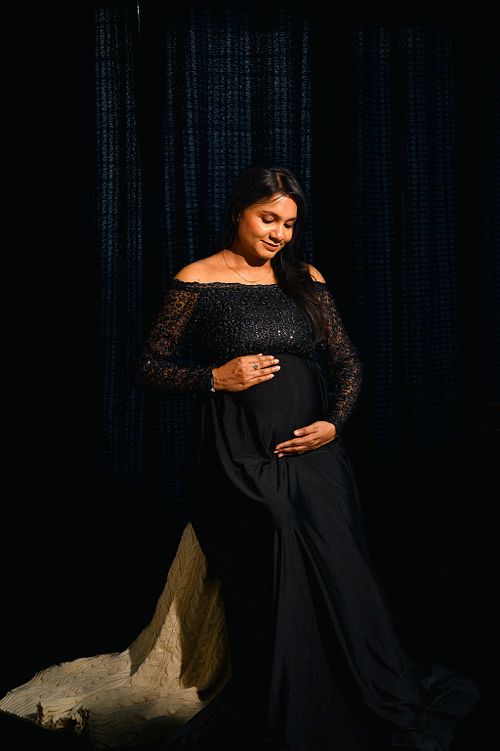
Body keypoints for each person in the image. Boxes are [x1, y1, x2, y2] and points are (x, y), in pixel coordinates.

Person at [0, 164, 480, 751]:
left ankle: (350, 688)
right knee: (278, 529)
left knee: (339, 551)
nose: (279, 234)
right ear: (239, 213)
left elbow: (347, 362)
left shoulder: (305, 277)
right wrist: (214, 377)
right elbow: (148, 367)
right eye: (268, 218)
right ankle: (286, 694)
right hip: (236, 451)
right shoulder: (197, 279)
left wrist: (333, 423)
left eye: (290, 224)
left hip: (311, 448)